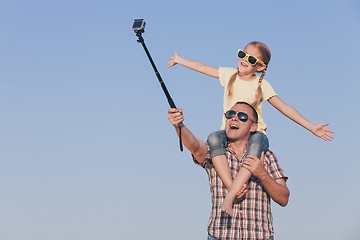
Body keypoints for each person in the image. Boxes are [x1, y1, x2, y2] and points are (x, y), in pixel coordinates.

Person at [168, 41, 334, 213]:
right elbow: (203, 67)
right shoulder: (230, 75)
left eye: (251, 58)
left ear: (260, 67)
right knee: (214, 138)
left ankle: (230, 196)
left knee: (254, 150)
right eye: (242, 54)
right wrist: (180, 60)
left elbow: (284, 107)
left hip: (256, 133)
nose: (245, 59)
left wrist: (311, 127)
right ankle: (232, 188)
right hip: (230, 132)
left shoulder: (261, 85)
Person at [168, 102, 289, 240]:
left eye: (242, 116)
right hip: (220, 235)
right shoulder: (214, 152)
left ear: (253, 127)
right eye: (230, 114)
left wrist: (262, 174)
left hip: (260, 236)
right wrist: (179, 126)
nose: (234, 118)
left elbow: (284, 198)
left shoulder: (266, 156)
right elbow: (195, 146)